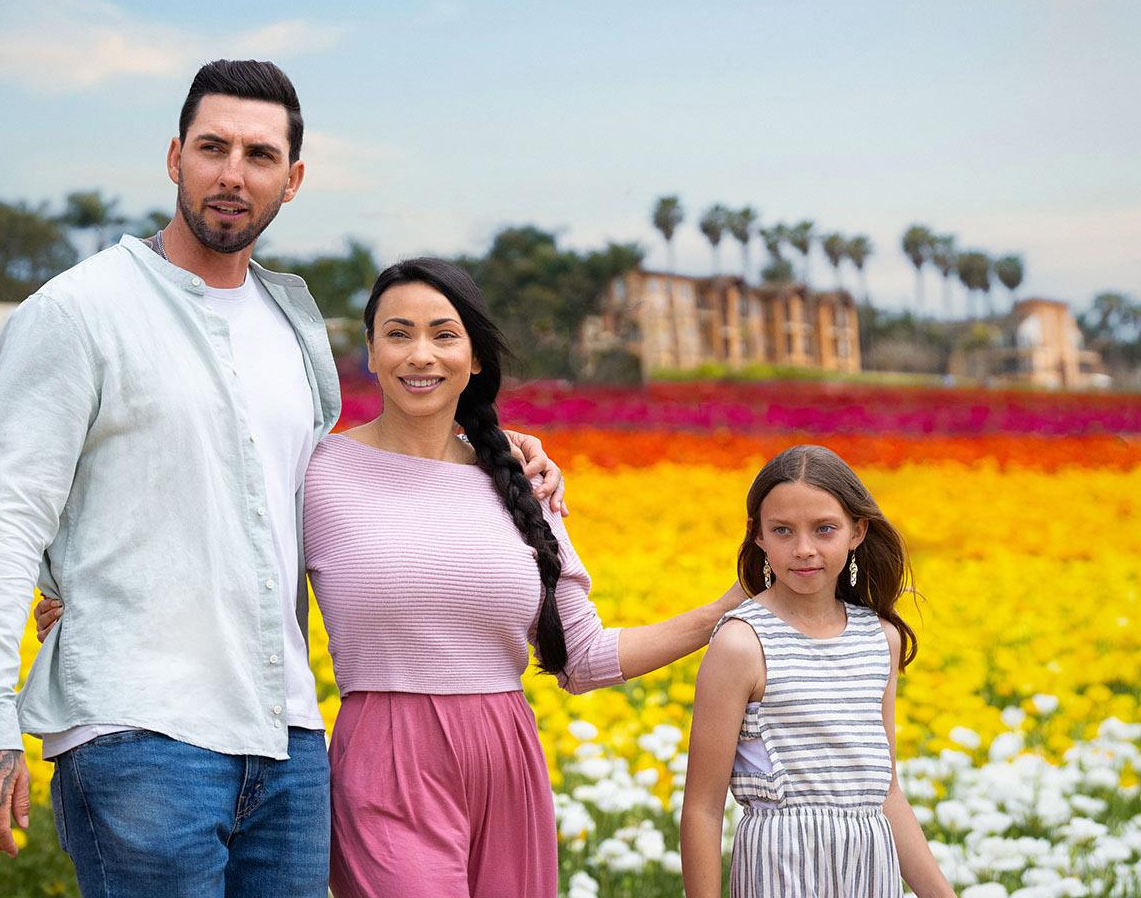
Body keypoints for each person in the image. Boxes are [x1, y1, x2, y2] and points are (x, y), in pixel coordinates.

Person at [0, 59, 563, 898]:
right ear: (174, 158)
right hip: (138, 731)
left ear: (292, 179)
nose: (234, 174)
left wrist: (489, 448)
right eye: (213, 147)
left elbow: (323, 484)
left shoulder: (292, 323)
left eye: (260, 155)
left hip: (290, 742)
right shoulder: (79, 312)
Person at [44, 258, 742, 896]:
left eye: (444, 335)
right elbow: (221, 558)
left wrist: (732, 609)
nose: (421, 355)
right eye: (399, 334)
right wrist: (89, 601)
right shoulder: (316, 473)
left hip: (508, 759)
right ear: (370, 353)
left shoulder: (522, 482)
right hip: (385, 760)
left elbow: (584, 658)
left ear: (473, 357)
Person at [680, 445, 957, 898]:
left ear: (857, 531)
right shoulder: (742, 643)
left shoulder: (878, 639)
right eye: (783, 531)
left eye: (824, 529)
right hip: (781, 873)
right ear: (758, 536)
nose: (803, 549)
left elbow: (885, 794)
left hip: (870, 873)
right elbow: (702, 810)